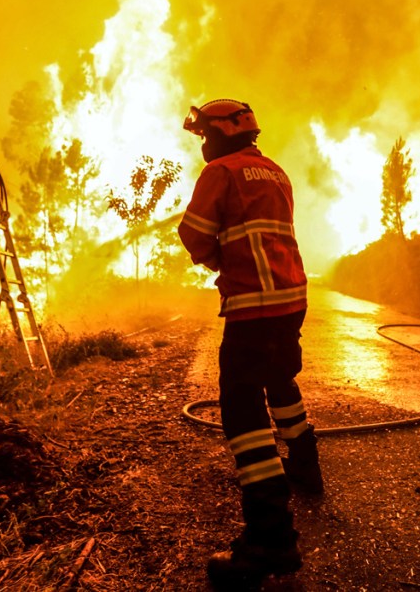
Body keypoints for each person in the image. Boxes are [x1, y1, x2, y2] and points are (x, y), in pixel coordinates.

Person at [178, 98, 324, 589]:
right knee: (279, 380)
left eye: (204, 136)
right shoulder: (275, 172)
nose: (203, 144)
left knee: (243, 415)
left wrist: (221, 256)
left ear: (220, 133)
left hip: (253, 304)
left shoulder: (221, 172)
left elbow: (194, 235)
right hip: (291, 298)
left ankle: (269, 539)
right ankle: (305, 465)